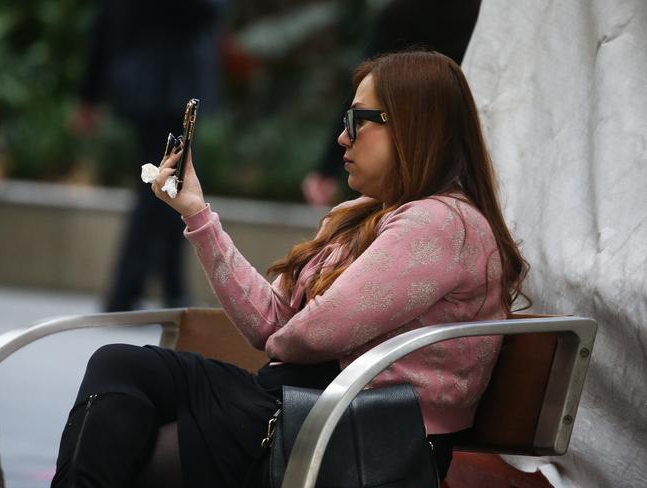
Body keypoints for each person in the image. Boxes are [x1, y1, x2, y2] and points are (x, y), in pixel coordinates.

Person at [51, 50, 528, 487]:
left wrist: (285, 336)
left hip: (357, 435)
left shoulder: (443, 224)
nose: (342, 136)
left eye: (357, 120)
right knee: (119, 363)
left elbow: (312, 333)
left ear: (413, 124)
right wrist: (196, 213)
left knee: (128, 456)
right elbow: (271, 321)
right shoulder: (358, 214)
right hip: (299, 409)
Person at [71, 0, 226, 311]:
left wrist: (89, 94)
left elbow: (103, 23)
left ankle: (154, 288)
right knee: (163, 187)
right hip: (168, 87)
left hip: (143, 84)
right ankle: (137, 290)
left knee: (165, 186)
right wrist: (88, 96)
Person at [302, 0, 482, 205]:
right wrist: (328, 169)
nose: (343, 139)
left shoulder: (486, 16)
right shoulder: (400, 14)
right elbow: (363, 89)